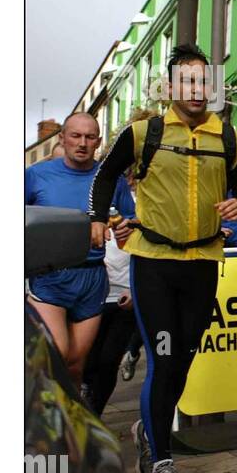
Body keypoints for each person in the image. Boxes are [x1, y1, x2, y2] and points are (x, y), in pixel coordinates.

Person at [89, 44, 237, 473]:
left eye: (204, 82)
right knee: (163, 358)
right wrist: (96, 218)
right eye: (187, 81)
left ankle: (149, 427)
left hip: (203, 262)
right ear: (170, 86)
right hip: (155, 262)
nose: (197, 90)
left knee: (183, 358)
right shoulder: (146, 132)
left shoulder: (229, 139)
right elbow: (104, 177)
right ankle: (161, 461)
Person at [25, 113, 135, 389]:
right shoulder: (36, 176)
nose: (82, 143)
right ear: (62, 138)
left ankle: (71, 427)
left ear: (98, 141)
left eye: (89, 137)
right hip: (49, 277)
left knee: (76, 366)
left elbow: (130, 232)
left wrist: (126, 232)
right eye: (76, 136)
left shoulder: (112, 179)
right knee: (57, 354)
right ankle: (42, 424)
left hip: (92, 279)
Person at [83, 171, 139, 415]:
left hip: (123, 297)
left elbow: (147, 253)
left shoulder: (139, 208)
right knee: (87, 362)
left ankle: (94, 416)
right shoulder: (85, 204)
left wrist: (134, 289)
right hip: (90, 295)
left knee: (108, 362)